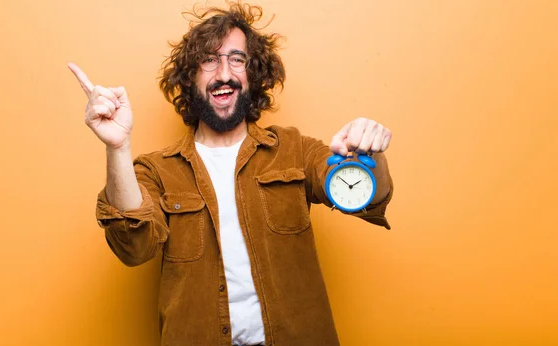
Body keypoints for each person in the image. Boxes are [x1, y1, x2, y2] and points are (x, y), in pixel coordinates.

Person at [68, 2, 393, 345]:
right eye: (209, 60)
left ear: (253, 74)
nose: (224, 73)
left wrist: (369, 153)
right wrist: (117, 148)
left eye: (237, 59)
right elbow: (133, 247)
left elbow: (364, 198)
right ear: (190, 78)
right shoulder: (157, 170)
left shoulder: (294, 149)